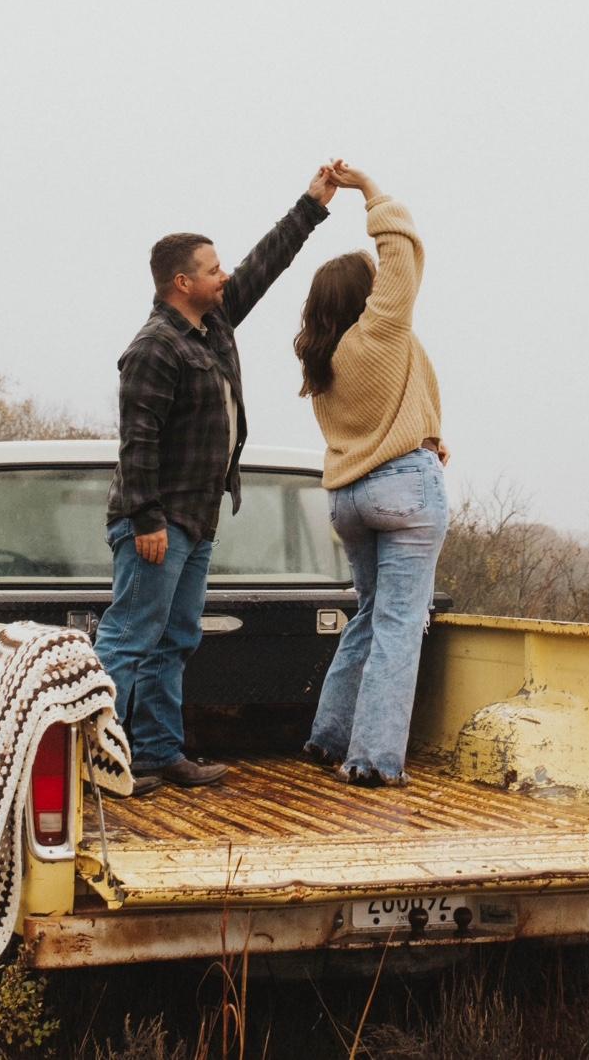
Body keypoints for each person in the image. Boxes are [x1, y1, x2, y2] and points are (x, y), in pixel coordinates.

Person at [98, 169, 337, 793]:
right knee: (128, 639)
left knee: (174, 639)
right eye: (212, 269)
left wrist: (310, 206)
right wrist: (146, 519)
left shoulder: (213, 327)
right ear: (183, 283)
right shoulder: (155, 347)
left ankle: (157, 754)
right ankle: (89, 762)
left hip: (195, 519)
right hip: (158, 521)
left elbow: (263, 266)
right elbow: (137, 440)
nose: (224, 275)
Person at [294, 164, 449, 786]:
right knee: (398, 626)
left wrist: (427, 431)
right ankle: (373, 761)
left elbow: (386, 410)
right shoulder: (378, 333)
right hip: (403, 489)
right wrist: (371, 191)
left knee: (368, 616)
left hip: (349, 498)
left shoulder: (322, 358)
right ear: (368, 296)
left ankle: (329, 737)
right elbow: (401, 254)